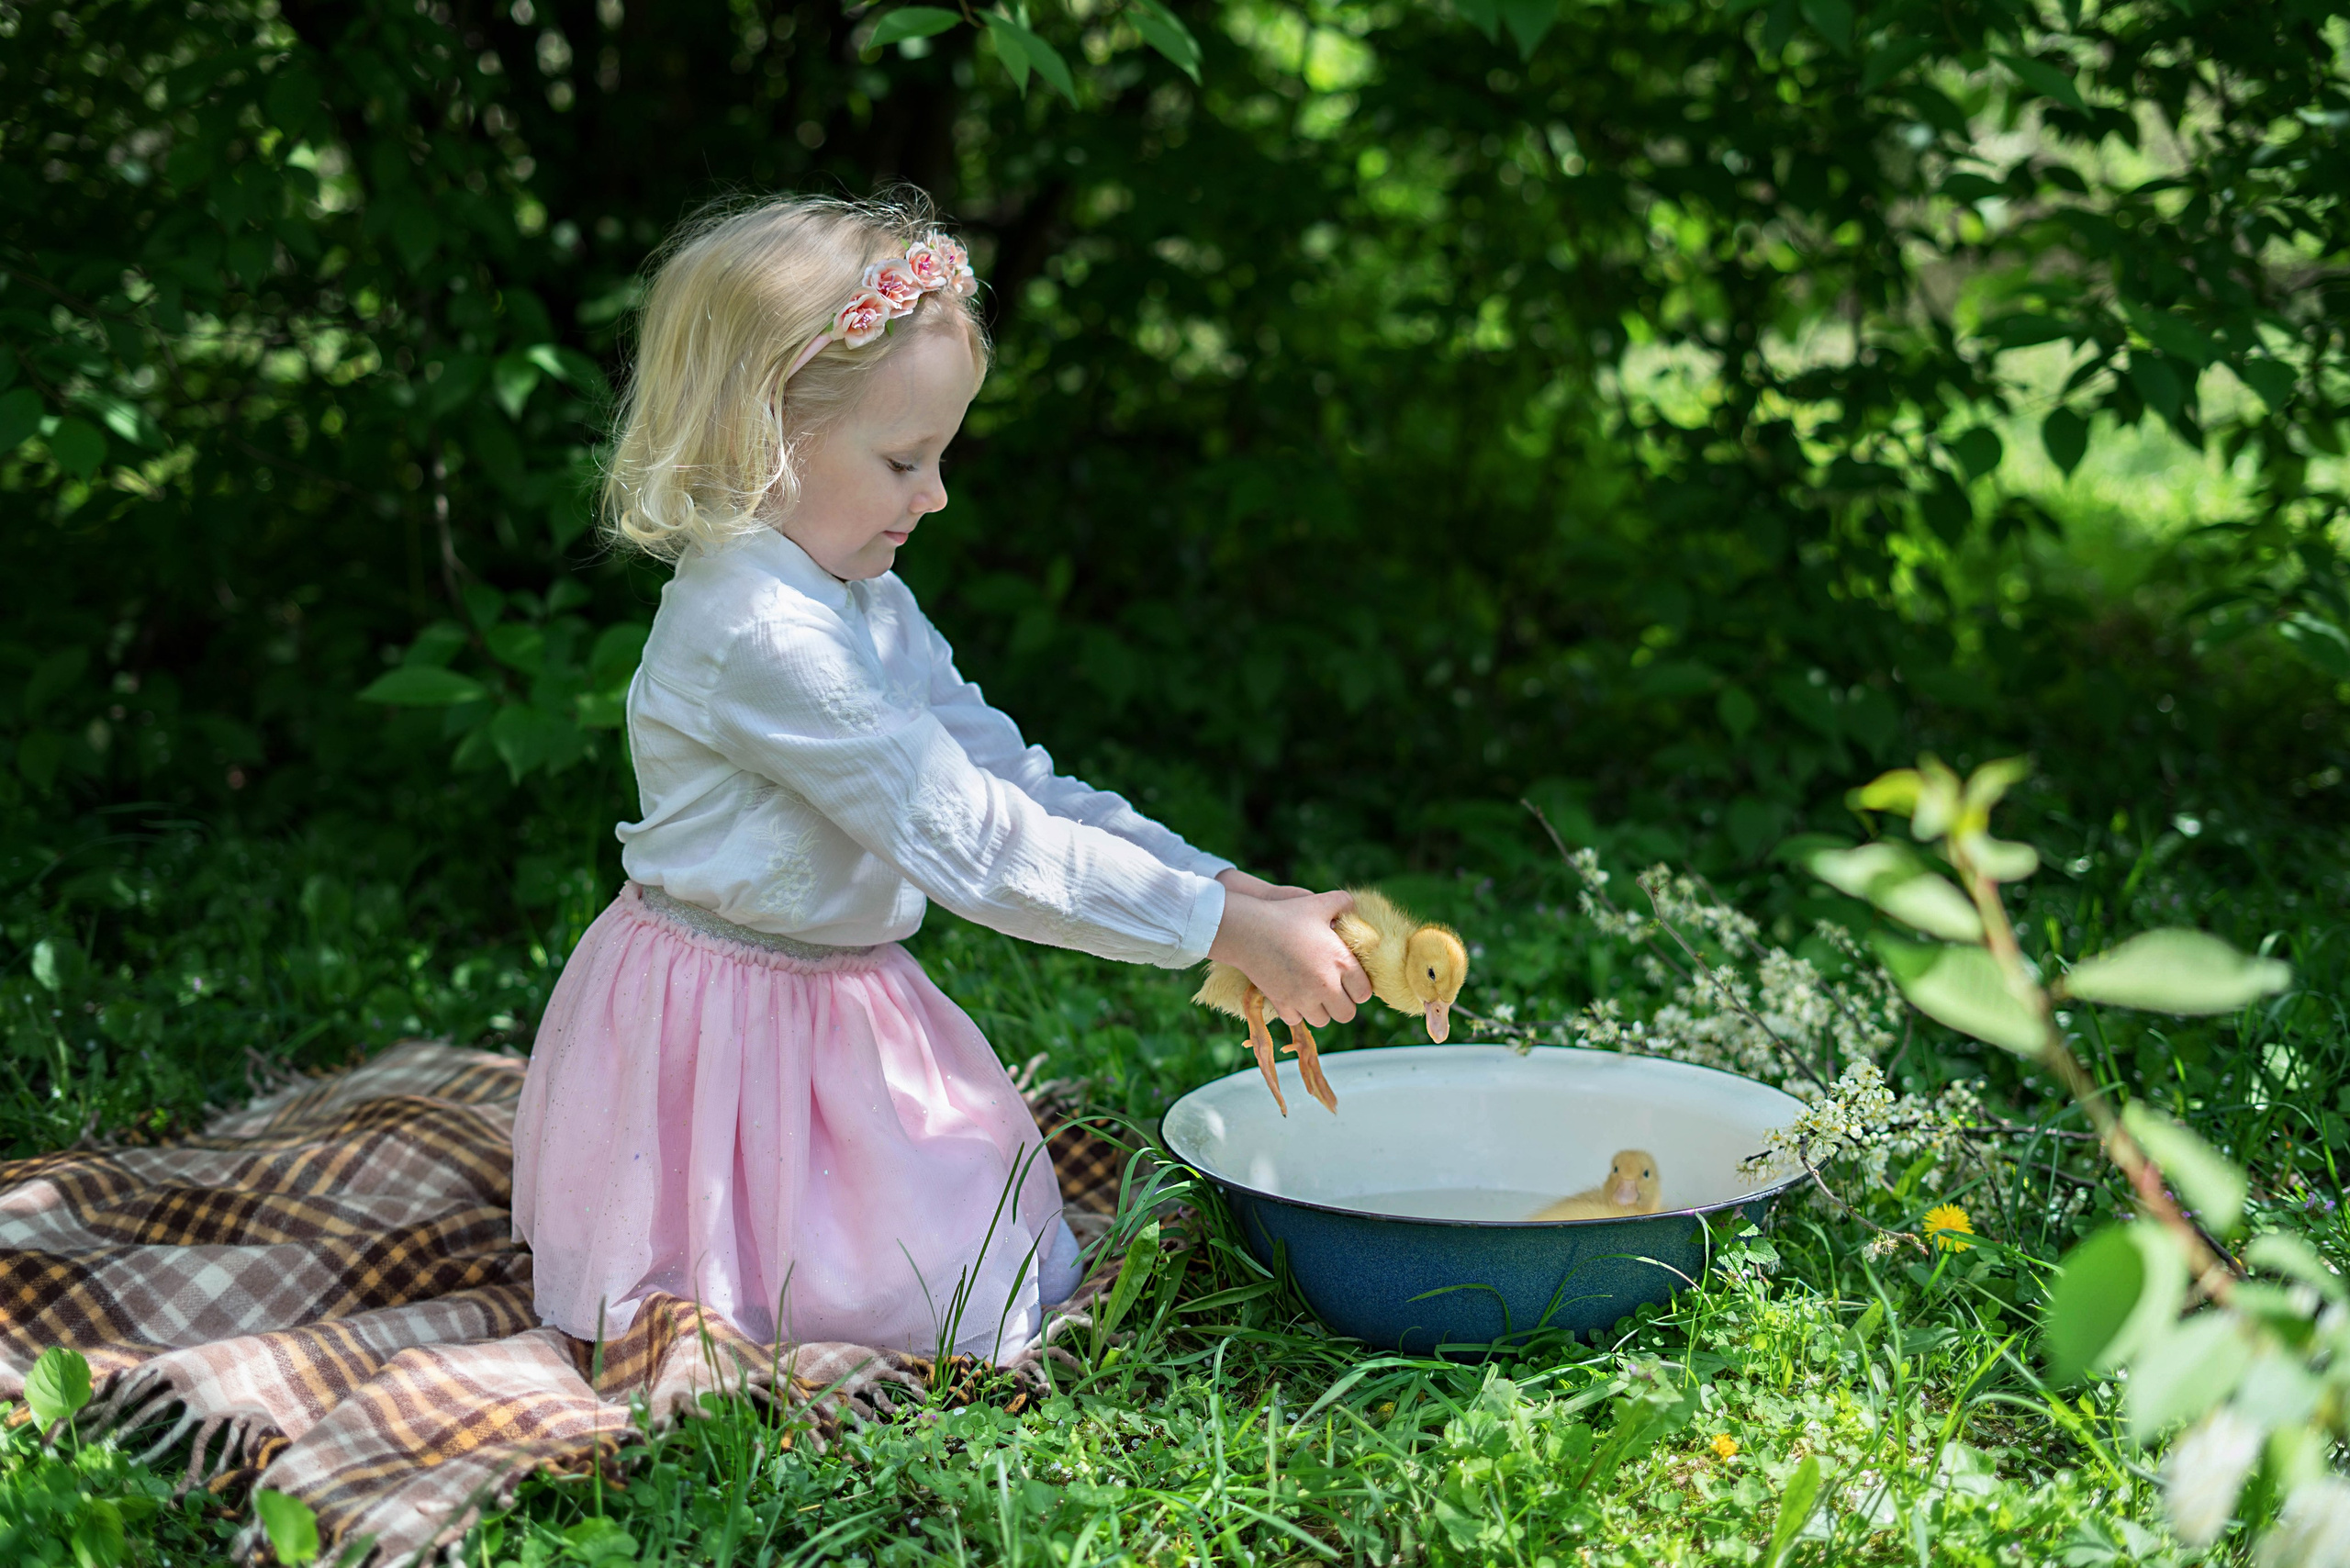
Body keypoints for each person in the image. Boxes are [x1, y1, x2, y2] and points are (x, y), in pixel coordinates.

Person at [509, 191, 1371, 1358]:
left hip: (842, 997)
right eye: (904, 458)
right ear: (760, 434)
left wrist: (1224, 889)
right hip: (724, 1024)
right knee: (896, 1306)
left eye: (942, 454)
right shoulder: (761, 631)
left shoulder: (861, 596)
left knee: (980, 1260)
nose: (937, 493)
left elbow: (1006, 776)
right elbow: (973, 842)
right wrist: (1212, 928)